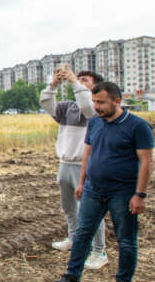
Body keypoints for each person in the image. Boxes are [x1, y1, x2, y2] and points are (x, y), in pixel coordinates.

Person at [49, 82, 154, 282]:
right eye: (94, 101)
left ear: (117, 101)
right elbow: (88, 153)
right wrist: (82, 182)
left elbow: (146, 162)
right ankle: (72, 277)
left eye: (101, 102)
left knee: (126, 239)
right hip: (93, 190)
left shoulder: (138, 126)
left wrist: (140, 194)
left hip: (123, 192)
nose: (96, 107)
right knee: (82, 234)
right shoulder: (95, 123)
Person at [40, 64, 109, 270]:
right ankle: (73, 238)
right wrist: (52, 84)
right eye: (79, 79)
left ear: (96, 88)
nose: (79, 81)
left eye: (85, 80)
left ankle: (99, 251)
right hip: (65, 162)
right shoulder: (68, 107)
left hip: (86, 165)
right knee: (69, 206)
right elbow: (46, 103)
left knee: (92, 209)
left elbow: (88, 106)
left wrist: (73, 82)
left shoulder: (97, 108)